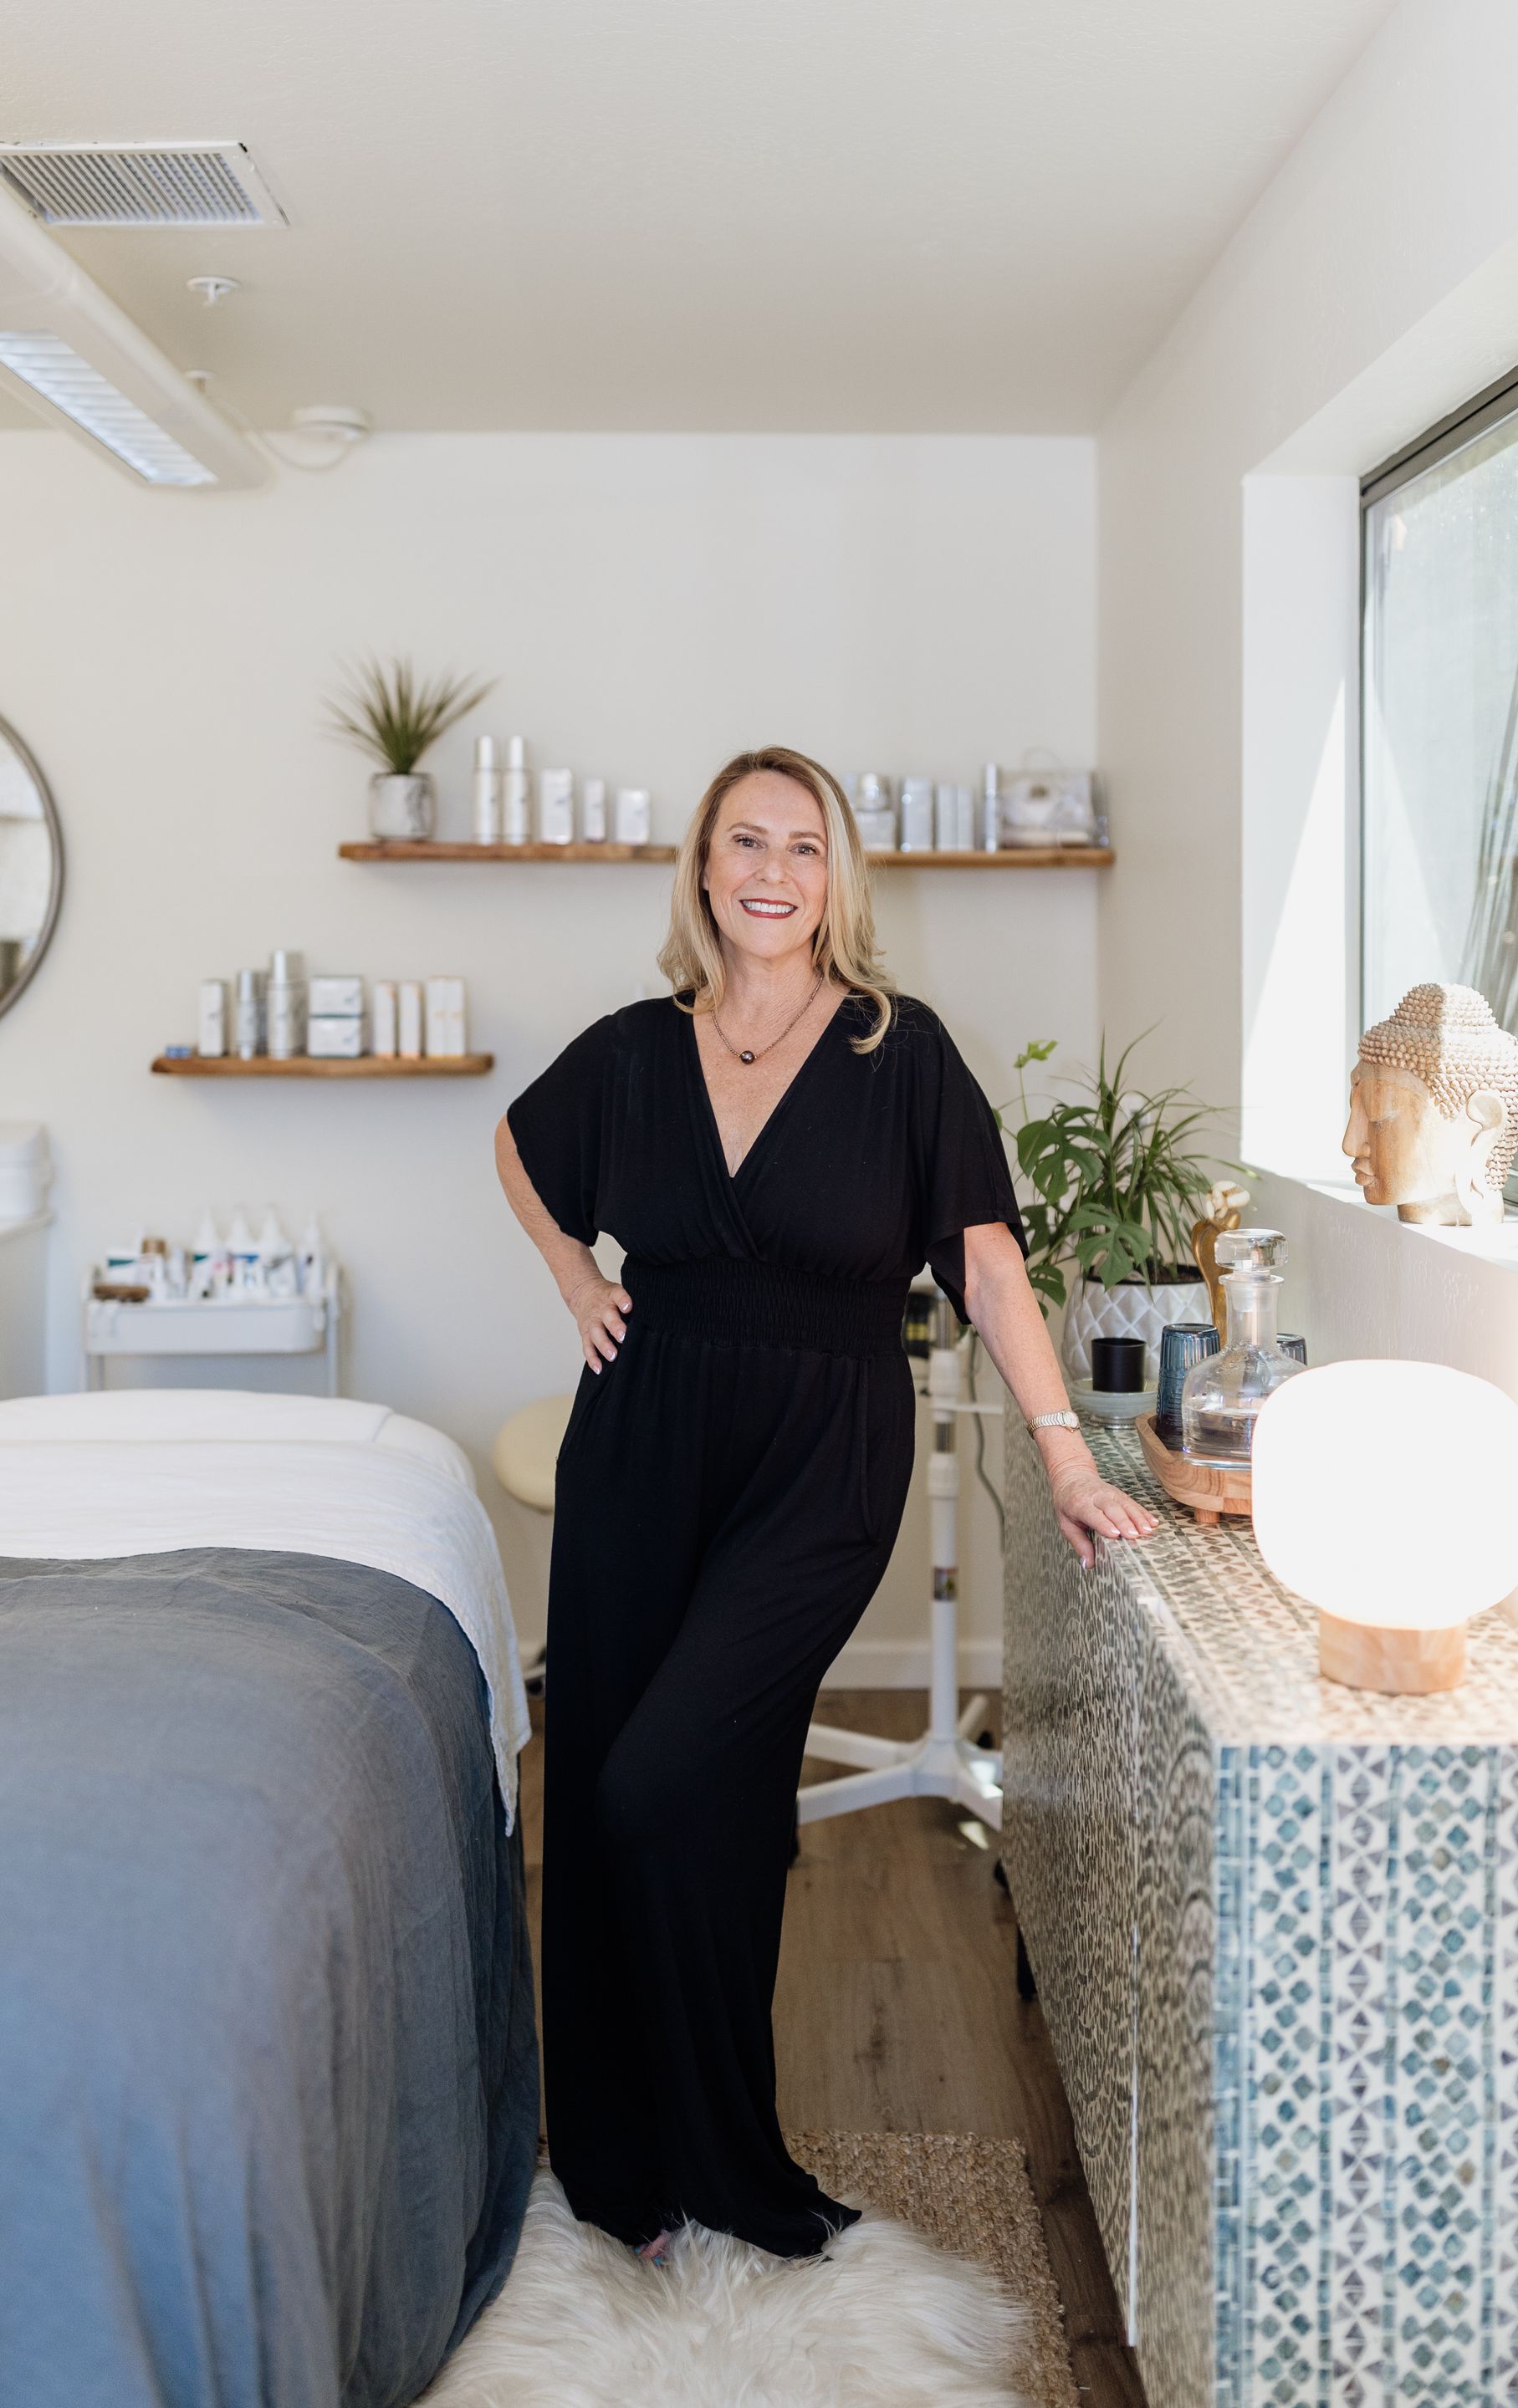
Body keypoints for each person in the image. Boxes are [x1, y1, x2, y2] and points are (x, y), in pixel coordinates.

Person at [493, 744, 1155, 2267]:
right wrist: (577, 1274)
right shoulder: (639, 1046)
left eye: (803, 845)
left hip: (820, 1458)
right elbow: (521, 1151)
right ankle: (631, 2161)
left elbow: (986, 1261)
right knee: (643, 1785)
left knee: (662, 1780)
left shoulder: (896, 1051)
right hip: (641, 1445)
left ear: (834, 876)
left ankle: (730, 2152)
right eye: (745, 842)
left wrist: (1062, 1452)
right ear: (707, 868)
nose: (773, 871)